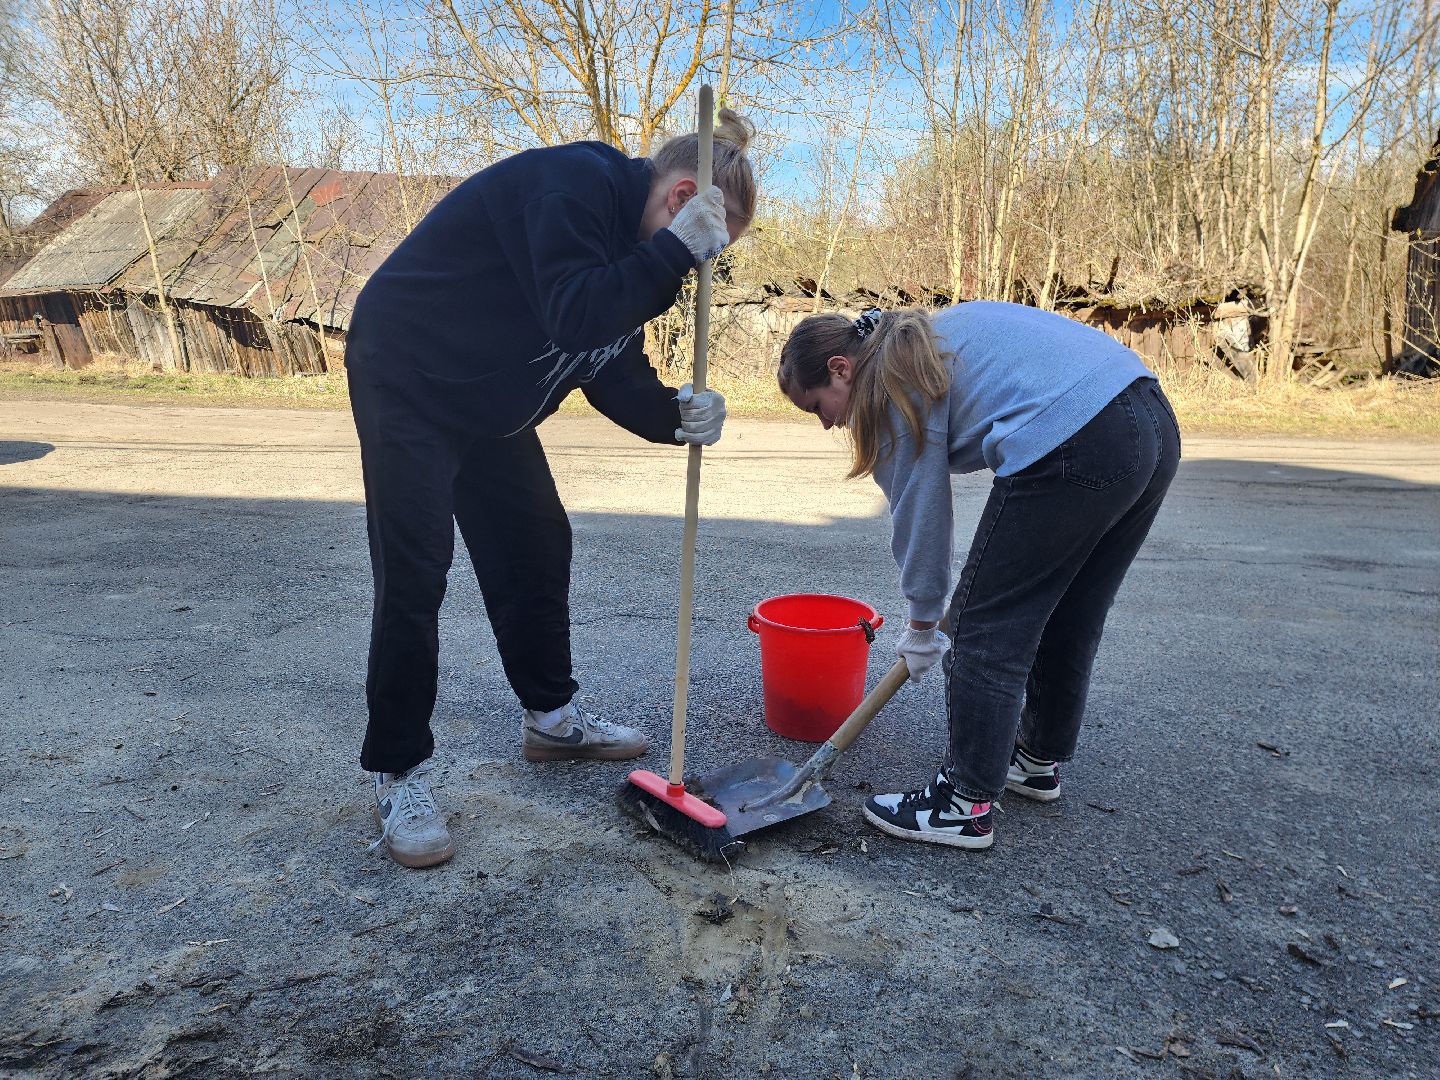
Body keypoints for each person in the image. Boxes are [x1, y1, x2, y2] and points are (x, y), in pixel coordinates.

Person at [346, 110, 757, 868]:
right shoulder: (570, 186)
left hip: (490, 401)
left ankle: (551, 719)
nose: (707, 263)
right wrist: (671, 255)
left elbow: (607, 363)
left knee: (535, 540)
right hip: (407, 374)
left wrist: (676, 416)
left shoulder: (636, 249)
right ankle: (398, 768)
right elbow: (579, 314)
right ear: (683, 199)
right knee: (415, 567)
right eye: (712, 242)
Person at [777, 301, 1180, 850]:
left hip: (1075, 433)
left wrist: (924, 624)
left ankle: (962, 805)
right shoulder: (921, 334)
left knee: (982, 626)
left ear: (841, 369)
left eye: (816, 405)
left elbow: (921, 518)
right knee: (1068, 610)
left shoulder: (890, 383)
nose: (826, 422)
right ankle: (1035, 762)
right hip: (1147, 418)